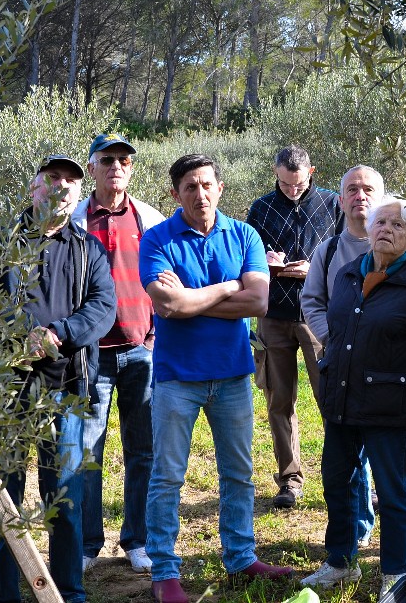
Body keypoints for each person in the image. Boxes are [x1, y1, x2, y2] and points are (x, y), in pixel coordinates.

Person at [139, 154, 293, 603]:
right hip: (175, 378)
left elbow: (259, 304)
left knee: (238, 474)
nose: (200, 194)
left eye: (207, 185)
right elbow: (169, 308)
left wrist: (191, 296)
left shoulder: (244, 234)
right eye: (190, 187)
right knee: (167, 477)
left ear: (220, 188)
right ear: (175, 194)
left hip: (232, 377)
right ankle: (164, 572)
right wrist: (228, 287)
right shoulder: (157, 239)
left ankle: (241, 557)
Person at [300, 164, 406, 558]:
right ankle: (356, 531)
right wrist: (341, 342)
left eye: (368, 189)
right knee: (345, 462)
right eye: (352, 189)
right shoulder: (328, 254)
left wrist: (404, 380)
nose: (360, 195)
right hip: (343, 375)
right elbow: (312, 302)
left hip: (392, 386)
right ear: (340, 200)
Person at [0, 154, 117, 603]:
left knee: (66, 498)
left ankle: (68, 593)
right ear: (34, 187)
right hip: (8, 392)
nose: (62, 186)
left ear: (77, 194)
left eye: (71, 181)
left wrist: (58, 333)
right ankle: (4, 596)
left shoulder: (88, 248)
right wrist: (21, 339)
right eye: (52, 178)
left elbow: (102, 306)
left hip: (68, 390)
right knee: (4, 499)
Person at [72, 133, 165, 574]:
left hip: (141, 350)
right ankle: (89, 545)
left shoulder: (148, 217)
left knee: (142, 451)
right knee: (88, 451)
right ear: (92, 167)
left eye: (124, 160)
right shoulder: (73, 219)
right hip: (90, 357)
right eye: (107, 159)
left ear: (131, 168)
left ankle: (138, 541)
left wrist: (154, 337)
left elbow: (171, 277)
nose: (116, 166)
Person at [245, 146, 343, 509]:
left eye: (298, 184)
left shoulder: (334, 204)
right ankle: (290, 479)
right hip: (273, 314)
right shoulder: (261, 207)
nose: (291, 190)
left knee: (332, 396)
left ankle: (348, 476)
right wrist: (267, 262)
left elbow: (348, 253)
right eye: (285, 183)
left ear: (311, 172)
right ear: (276, 173)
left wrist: (315, 269)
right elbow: (248, 255)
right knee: (278, 399)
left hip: (320, 314)